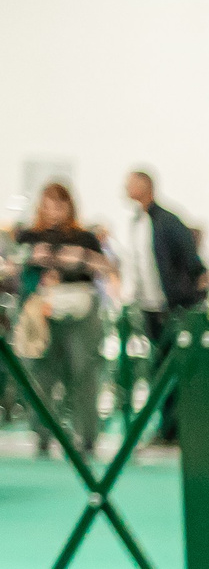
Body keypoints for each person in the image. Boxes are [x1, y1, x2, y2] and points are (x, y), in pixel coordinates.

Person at [9, 182, 111, 462]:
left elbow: (107, 268)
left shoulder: (85, 238)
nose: (54, 210)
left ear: (70, 205)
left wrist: (82, 259)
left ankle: (87, 436)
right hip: (41, 311)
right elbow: (11, 268)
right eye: (49, 203)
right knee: (41, 375)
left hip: (79, 312)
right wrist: (33, 259)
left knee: (83, 371)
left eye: (60, 203)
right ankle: (42, 434)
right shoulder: (29, 236)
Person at [116, 168, 209, 446]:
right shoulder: (136, 223)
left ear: (146, 187)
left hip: (174, 308)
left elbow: (191, 262)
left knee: (176, 369)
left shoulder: (168, 221)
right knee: (160, 369)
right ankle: (168, 429)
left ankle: (180, 428)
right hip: (150, 308)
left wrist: (186, 294)